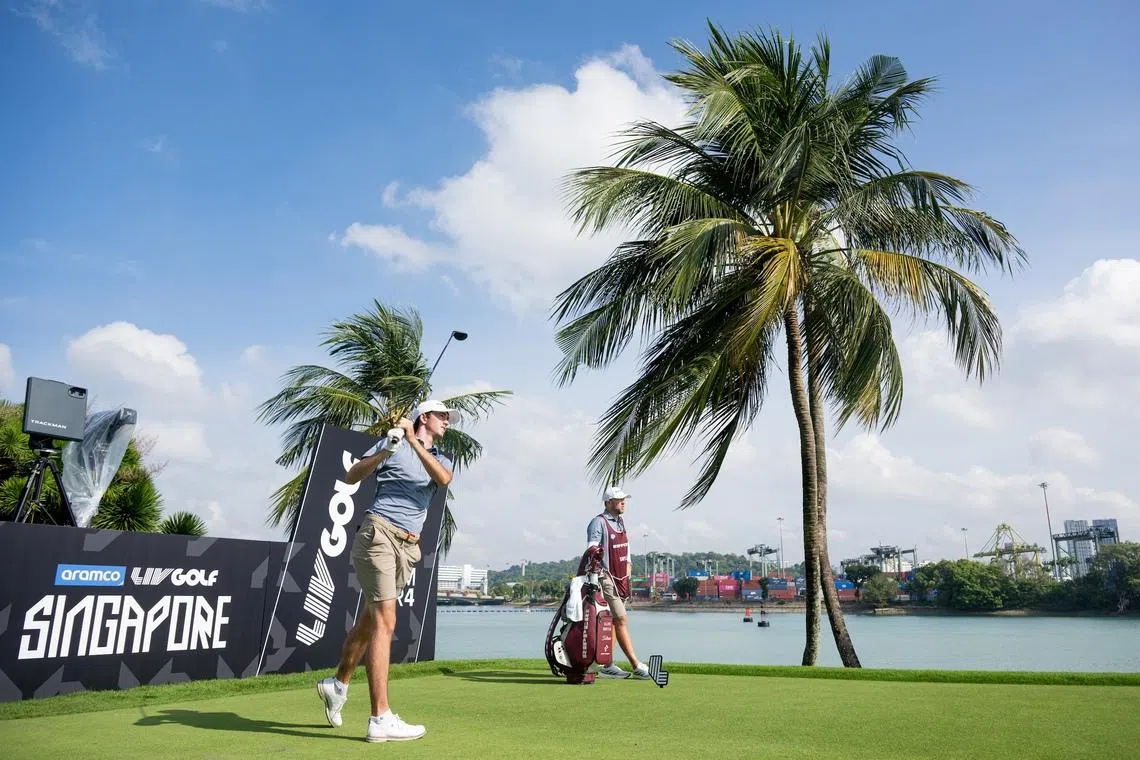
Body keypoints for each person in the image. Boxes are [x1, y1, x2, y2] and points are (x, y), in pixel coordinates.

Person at [316, 399, 454, 742]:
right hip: (378, 533)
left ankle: (337, 684)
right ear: (425, 417)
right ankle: (380, 718)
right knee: (385, 621)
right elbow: (352, 475)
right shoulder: (391, 443)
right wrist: (386, 450)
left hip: (409, 546)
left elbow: (443, 478)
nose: (447, 422)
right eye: (442, 416)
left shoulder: (441, 457)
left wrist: (411, 441)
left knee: (369, 620)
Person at [587, 486, 652, 680]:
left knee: (616, 622)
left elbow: (627, 550)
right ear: (608, 502)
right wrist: (595, 578)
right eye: (618, 499)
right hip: (606, 578)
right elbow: (592, 550)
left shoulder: (621, 522)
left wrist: (629, 570)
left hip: (622, 579)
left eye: (624, 499)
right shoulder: (598, 523)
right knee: (622, 619)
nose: (623, 502)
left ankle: (606, 665)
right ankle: (637, 665)